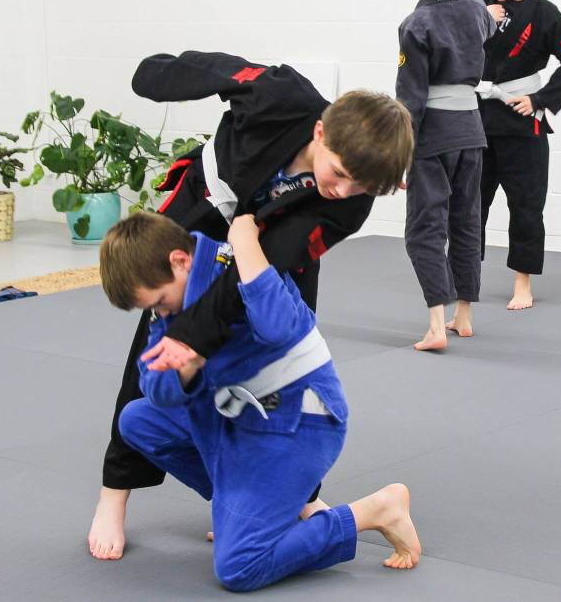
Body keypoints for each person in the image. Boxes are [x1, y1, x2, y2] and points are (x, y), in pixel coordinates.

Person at [88, 51, 413, 560]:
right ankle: (115, 493)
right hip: (204, 211)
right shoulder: (281, 94)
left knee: (281, 359)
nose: (344, 190)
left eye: (362, 186)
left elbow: (254, 271)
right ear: (321, 132)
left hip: (265, 251)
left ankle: (291, 497)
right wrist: (159, 75)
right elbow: (213, 71)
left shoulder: (350, 201)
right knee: (156, 353)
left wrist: (196, 336)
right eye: (341, 173)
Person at [99, 211, 421, 591]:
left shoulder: (240, 269)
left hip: (300, 423)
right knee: (136, 419)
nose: (161, 312)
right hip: (241, 421)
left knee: (238, 567)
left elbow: (279, 327)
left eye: (161, 302)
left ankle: (372, 512)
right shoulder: (170, 301)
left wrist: (246, 244)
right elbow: (154, 383)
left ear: (180, 260)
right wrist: (186, 368)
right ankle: (244, 511)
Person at [396, 0, 499, 351]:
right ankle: (464, 316)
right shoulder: (477, 12)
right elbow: (488, 23)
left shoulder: (415, 24)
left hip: (433, 136)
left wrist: (400, 154)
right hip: (472, 131)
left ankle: (437, 325)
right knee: (466, 221)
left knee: (425, 228)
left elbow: (411, 97)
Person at [474, 0, 561, 309]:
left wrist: (539, 99)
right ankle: (466, 277)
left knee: (526, 205)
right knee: (471, 204)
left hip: (523, 124)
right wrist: (478, 19)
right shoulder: (477, 6)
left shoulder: (545, 14)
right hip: (479, 120)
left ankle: (522, 283)